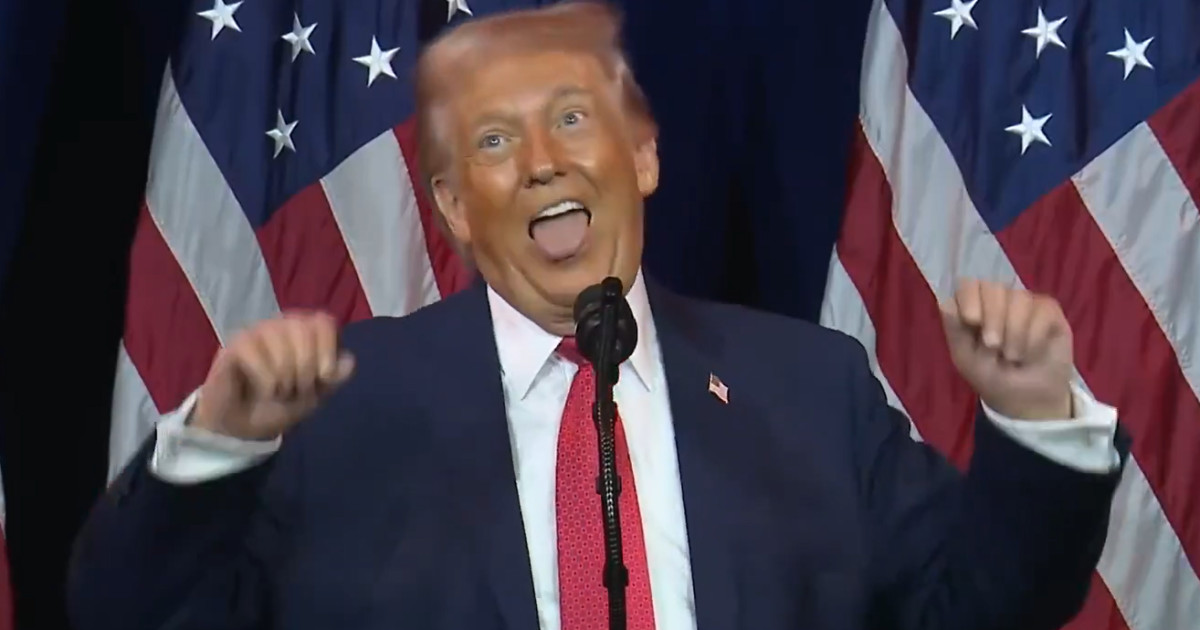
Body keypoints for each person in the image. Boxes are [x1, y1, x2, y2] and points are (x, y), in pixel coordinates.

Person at [67, 3, 1126, 629]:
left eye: (573, 120)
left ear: (644, 158)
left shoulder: (814, 389)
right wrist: (220, 444)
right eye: (494, 142)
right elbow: (126, 613)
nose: (542, 164)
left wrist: (1038, 422)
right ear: (453, 208)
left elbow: (985, 607)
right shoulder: (340, 408)